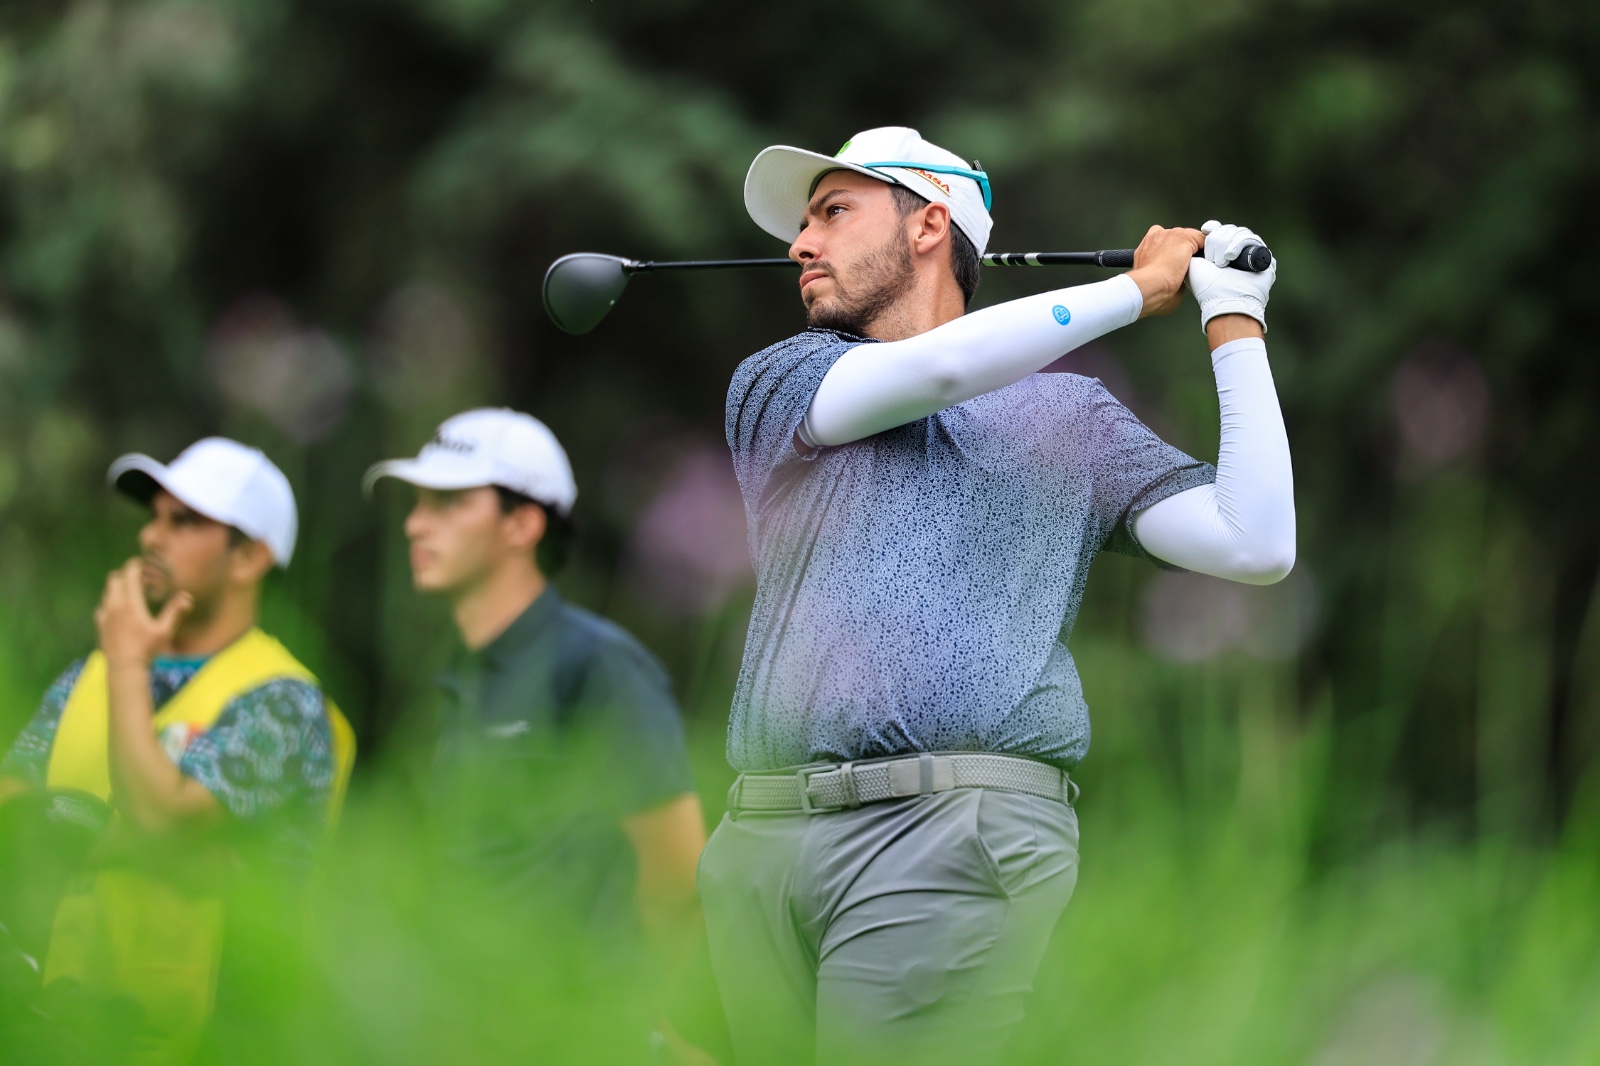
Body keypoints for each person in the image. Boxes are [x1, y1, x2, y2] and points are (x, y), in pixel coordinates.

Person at [699, 126, 1296, 1064]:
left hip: (949, 833)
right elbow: (935, 371)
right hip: (760, 842)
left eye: (832, 211)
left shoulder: (1065, 420)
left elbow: (1255, 542)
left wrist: (1234, 320)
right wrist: (1132, 292)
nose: (799, 245)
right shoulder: (783, 380)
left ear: (929, 223)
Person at [364, 407, 711, 1061]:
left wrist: (669, 1027)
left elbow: (678, 877)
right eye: (416, 503)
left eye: (447, 502)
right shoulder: (454, 680)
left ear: (523, 523)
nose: (415, 523)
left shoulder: (597, 665)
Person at [0, 437, 356, 1063]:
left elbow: (161, 820)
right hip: (56, 1030)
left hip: (210, 1045)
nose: (151, 538)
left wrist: (129, 662)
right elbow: (13, 819)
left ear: (250, 557)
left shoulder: (284, 702)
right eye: (154, 517)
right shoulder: (86, 676)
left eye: (185, 522)